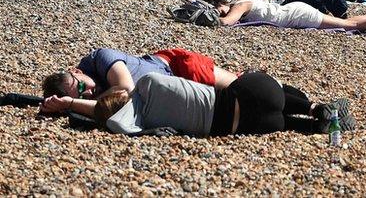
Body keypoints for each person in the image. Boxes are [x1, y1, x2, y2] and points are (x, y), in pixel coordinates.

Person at [94, 72, 332, 137]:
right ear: (123, 96)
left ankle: (312, 127)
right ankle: (313, 108)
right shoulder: (147, 83)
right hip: (260, 92)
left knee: (279, 121)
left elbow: (115, 122)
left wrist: (143, 133)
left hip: (255, 126)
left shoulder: (142, 123)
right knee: (252, 85)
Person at [38, 48, 239, 117]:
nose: (88, 94)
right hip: (171, 90)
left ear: (76, 71)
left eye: (82, 87)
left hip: (176, 67)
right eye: (82, 97)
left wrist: (78, 104)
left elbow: (126, 89)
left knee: (241, 87)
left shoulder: (101, 57)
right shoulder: (88, 91)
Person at [217, 0, 366, 34]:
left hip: (298, 16)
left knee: (352, 26)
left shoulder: (239, 5)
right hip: (294, 11)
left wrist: (216, 18)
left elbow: (227, 23)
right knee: (346, 22)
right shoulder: (242, 0)